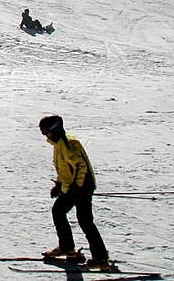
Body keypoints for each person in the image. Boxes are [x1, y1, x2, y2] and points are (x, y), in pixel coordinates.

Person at [39, 115, 112, 271]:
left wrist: (77, 187)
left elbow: (80, 167)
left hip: (82, 187)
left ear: (54, 130)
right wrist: (59, 184)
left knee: (85, 221)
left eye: (46, 131)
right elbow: (64, 167)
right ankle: (67, 247)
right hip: (72, 186)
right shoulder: (58, 143)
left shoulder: (68, 144)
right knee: (58, 211)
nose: (45, 135)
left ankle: (101, 258)